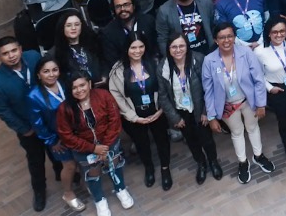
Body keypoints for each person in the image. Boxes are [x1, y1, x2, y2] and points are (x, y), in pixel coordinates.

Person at [200, 22, 275, 184]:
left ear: (234, 37)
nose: (226, 40)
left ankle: (258, 156)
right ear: (215, 40)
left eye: (229, 36)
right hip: (227, 106)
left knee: (253, 128)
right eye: (222, 37)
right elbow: (208, 91)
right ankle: (243, 162)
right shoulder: (209, 61)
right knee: (237, 132)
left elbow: (258, 80)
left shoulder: (246, 53)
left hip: (248, 101)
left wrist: (261, 104)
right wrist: (211, 117)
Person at [0, 36, 55, 212]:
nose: (11, 56)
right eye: (5, 53)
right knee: (36, 160)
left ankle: (61, 172)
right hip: (29, 128)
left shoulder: (33, 57)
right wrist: (24, 129)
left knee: (56, 148)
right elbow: (3, 110)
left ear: (20, 49)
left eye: (14, 50)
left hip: (48, 119)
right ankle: (39, 192)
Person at [56, 74, 134, 213]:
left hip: (109, 142)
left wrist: (105, 146)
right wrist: (93, 148)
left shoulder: (103, 95)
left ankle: (121, 189)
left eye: (82, 85)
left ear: (90, 84)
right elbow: (66, 135)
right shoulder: (65, 108)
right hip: (84, 149)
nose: (79, 90)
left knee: (115, 164)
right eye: (74, 87)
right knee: (92, 173)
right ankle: (99, 200)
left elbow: (114, 119)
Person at [108, 35, 172, 189]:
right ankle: (149, 168)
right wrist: (133, 117)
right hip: (134, 116)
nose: (137, 51)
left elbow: (166, 87)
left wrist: (161, 109)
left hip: (157, 112)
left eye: (141, 46)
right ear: (127, 49)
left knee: (162, 141)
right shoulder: (118, 70)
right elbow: (116, 95)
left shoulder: (155, 62)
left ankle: (165, 169)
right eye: (133, 47)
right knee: (141, 144)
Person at [157, 34, 221, 185]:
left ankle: (213, 161)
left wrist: (206, 111)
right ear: (168, 49)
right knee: (192, 141)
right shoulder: (163, 67)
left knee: (207, 139)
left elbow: (210, 87)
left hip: (200, 109)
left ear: (187, 46)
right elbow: (163, 96)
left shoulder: (199, 60)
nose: (178, 50)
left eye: (181, 46)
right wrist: (175, 118)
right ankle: (201, 163)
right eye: (174, 47)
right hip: (181, 112)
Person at [27, 56, 85, 211]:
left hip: (79, 131)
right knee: (69, 166)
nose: (51, 74)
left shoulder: (66, 83)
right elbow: (38, 123)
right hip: (59, 138)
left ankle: (85, 183)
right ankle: (68, 193)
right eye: (46, 71)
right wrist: (52, 141)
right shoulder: (33, 95)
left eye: (54, 70)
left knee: (82, 160)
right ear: (38, 74)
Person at [256, 18, 286, 163]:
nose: (279, 35)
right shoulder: (259, 51)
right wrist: (270, 88)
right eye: (275, 32)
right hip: (277, 89)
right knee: (284, 120)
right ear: (268, 33)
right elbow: (257, 75)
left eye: (282, 31)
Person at [100, 0, 157, 67]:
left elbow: (156, 47)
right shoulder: (108, 32)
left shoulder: (148, 21)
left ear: (134, 6)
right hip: (126, 69)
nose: (123, 9)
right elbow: (113, 60)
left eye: (126, 5)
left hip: (153, 65)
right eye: (118, 6)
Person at [52, 11, 107, 88]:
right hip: (77, 91)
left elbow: (104, 61)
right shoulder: (56, 53)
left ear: (82, 26)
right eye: (69, 25)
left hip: (101, 87)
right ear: (62, 28)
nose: (73, 28)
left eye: (77, 24)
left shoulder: (93, 42)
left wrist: (105, 75)